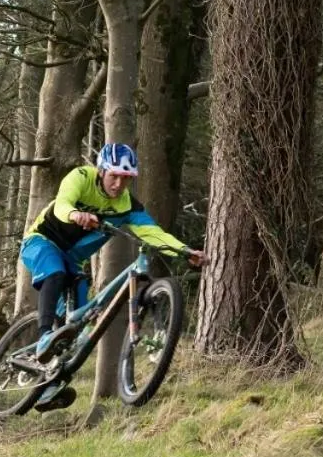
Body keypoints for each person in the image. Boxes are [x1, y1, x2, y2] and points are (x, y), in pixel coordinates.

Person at [19, 142, 204, 411]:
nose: (119, 184)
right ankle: (44, 334)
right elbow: (62, 205)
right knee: (55, 272)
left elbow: (153, 233)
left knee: (77, 326)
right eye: (114, 176)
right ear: (101, 171)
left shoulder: (127, 206)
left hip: (74, 261)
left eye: (126, 178)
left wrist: (185, 251)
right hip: (41, 241)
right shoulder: (80, 178)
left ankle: (48, 388)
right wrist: (74, 214)